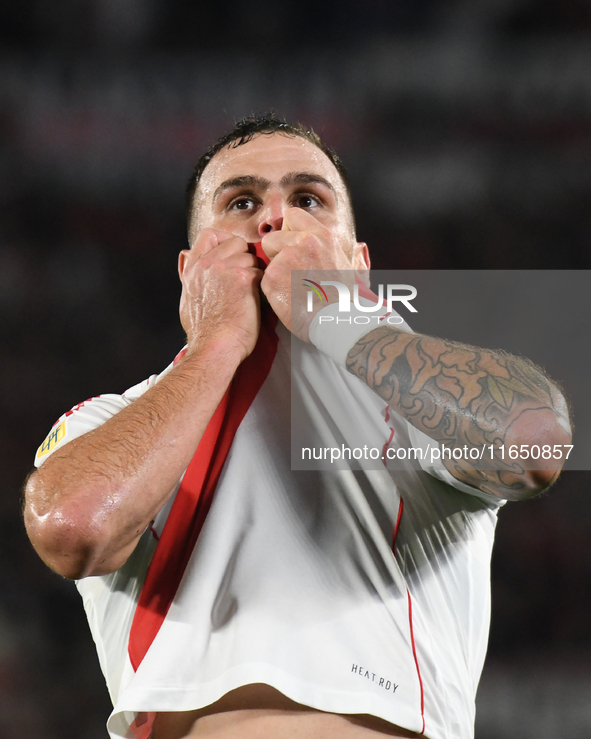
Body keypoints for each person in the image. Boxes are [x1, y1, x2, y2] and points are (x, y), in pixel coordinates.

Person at [23, 114, 572, 739]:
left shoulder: (421, 403)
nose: (274, 220)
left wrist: (341, 315)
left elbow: (536, 442)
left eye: (308, 199)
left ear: (358, 261)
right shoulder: (113, 421)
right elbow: (74, 528)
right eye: (241, 202)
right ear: (188, 269)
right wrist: (217, 341)